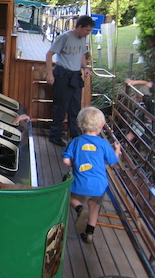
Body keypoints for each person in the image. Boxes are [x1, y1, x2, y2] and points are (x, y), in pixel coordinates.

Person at [62, 107, 121, 244]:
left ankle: (80, 208)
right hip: (99, 184)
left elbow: (65, 160)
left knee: (69, 197)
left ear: (80, 124)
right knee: (94, 206)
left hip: (80, 181)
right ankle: (89, 233)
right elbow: (113, 162)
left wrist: (73, 165)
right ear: (101, 126)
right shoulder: (104, 144)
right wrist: (117, 150)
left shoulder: (76, 142)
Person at [46, 15, 94, 147]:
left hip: (75, 76)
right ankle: (55, 135)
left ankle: (74, 135)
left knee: (75, 108)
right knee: (61, 107)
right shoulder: (64, 37)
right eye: (87, 30)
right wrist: (50, 74)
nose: (88, 33)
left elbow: (82, 55)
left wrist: (85, 67)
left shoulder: (82, 38)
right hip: (62, 74)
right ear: (79, 27)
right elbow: (49, 54)